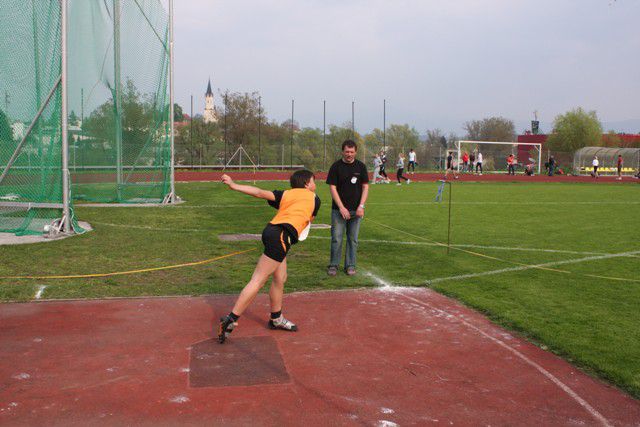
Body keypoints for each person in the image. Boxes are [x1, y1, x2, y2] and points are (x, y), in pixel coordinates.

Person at [217, 170, 321, 344]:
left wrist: (233, 185)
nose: (315, 185)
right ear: (306, 184)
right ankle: (231, 319)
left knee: (280, 278)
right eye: (313, 181)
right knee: (258, 280)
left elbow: (259, 192)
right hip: (281, 236)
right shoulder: (314, 198)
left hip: (273, 232)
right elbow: (308, 221)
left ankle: (276, 318)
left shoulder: (286, 194)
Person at [326, 140, 369, 276]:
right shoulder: (336, 167)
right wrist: (341, 208)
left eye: (351, 152)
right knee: (336, 238)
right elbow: (332, 188)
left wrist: (361, 206)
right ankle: (333, 265)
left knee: (353, 239)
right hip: (338, 210)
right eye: (347, 152)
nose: (349, 154)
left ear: (355, 152)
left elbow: (365, 187)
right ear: (342, 152)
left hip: (356, 210)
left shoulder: (361, 167)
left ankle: (350, 265)